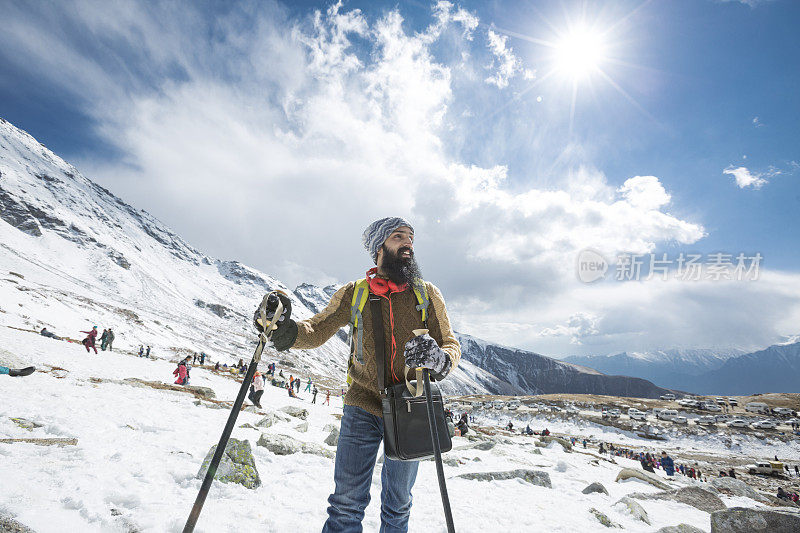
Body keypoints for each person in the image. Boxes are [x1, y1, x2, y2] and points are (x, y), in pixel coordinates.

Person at [252, 217, 461, 533]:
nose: (408, 243)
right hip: (361, 405)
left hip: (411, 406)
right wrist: (283, 329)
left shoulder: (426, 294)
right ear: (379, 247)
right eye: (399, 236)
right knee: (346, 503)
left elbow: (449, 343)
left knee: (398, 505)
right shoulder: (355, 293)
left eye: (411, 238)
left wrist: (440, 359)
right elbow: (317, 329)